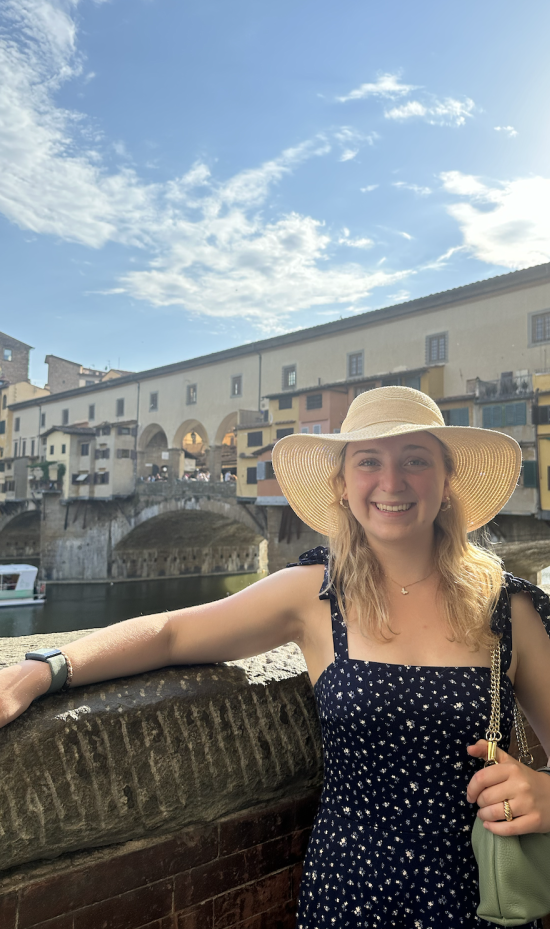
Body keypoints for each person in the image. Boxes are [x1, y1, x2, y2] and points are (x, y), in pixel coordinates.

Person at [1, 386, 550, 927]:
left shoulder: (507, 605)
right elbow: (171, 632)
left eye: (415, 460)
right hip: (348, 894)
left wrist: (546, 794)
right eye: (368, 462)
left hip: (483, 900)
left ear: (446, 480)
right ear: (341, 483)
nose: (390, 482)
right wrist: (44, 669)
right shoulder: (313, 592)